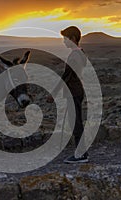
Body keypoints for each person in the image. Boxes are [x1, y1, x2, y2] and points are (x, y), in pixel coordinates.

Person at [47, 26, 88, 163]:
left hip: (73, 92)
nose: (64, 42)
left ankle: (81, 154)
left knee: (75, 123)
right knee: (76, 122)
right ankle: (81, 153)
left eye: (66, 39)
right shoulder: (80, 53)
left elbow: (66, 76)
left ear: (73, 39)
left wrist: (53, 93)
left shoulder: (75, 55)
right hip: (77, 91)